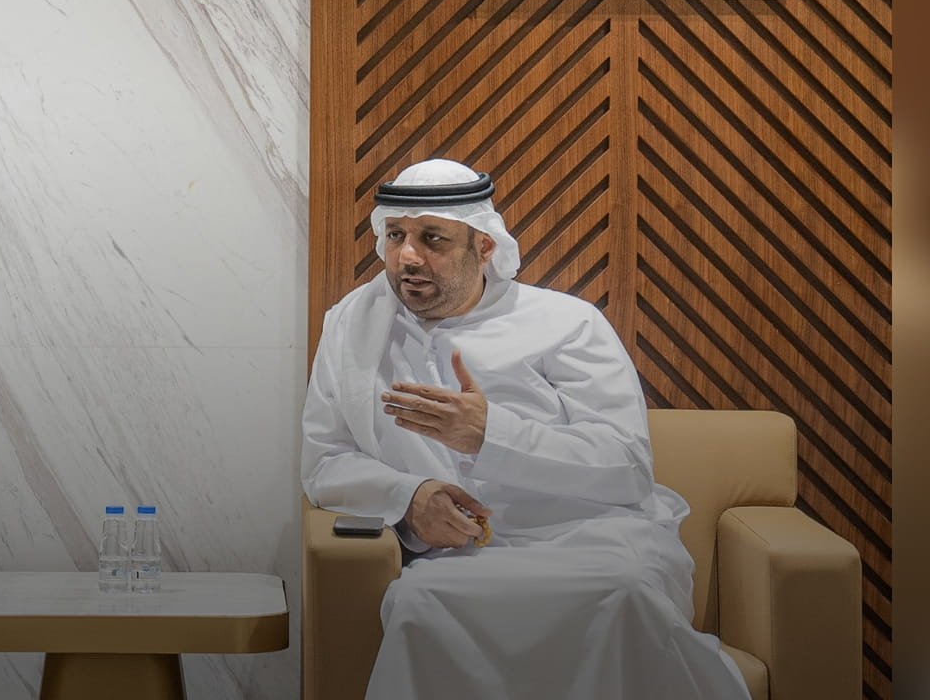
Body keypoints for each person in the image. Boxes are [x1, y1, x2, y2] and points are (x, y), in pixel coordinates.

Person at [301, 158, 750, 699]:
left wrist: (490, 435)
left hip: (587, 540)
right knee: (419, 604)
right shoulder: (352, 326)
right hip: (457, 557)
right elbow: (325, 458)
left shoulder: (566, 323)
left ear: (484, 246)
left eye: (432, 238)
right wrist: (410, 496)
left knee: (623, 592)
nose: (407, 257)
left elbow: (628, 465)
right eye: (396, 235)